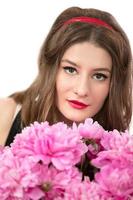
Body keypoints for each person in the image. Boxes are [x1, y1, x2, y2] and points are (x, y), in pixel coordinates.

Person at [0, 6, 132, 148]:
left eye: (99, 76)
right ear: (50, 67)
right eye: (70, 70)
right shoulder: (5, 113)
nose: (82, 90)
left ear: (114, 83)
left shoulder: (119, 150)